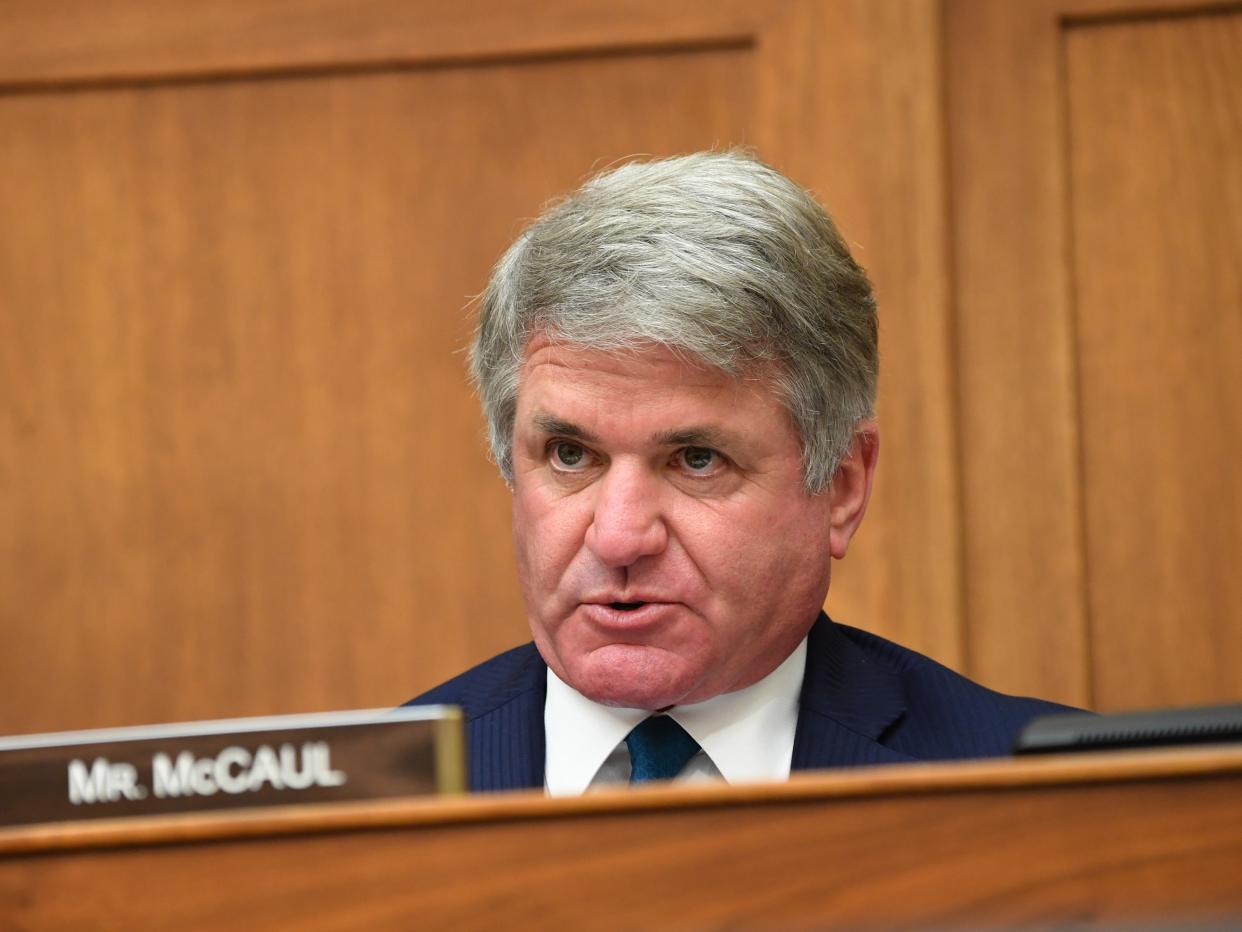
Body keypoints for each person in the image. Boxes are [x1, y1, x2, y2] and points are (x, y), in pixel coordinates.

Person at [408, 150, 1069, 794]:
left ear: (840, 487)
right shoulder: (361, 805)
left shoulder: (1045, 801)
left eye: (697, 461)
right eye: (571, 456)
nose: (617, 539)